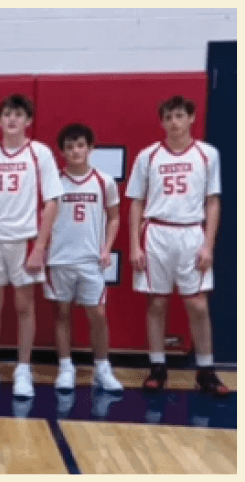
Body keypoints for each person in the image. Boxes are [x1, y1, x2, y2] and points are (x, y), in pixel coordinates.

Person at [125, 95, 228, 396]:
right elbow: (136, 202)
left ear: (191, 118)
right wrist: (134, 245)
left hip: (191, 233)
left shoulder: (207, 154)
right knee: (156, 303)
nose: (174, 122)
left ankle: (206, 370)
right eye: (168, 117)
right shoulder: (148, 156)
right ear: (162, 122)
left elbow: (213, 201)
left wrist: (208, 245)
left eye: (179, 116)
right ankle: (157, 366)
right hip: (156, 231)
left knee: (197, 304)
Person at [0, 94, 63, 398]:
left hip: (25, 240)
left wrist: (40, 247)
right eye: (7, 114)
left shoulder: (40, 154)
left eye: (18, 115)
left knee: (24, 306)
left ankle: (23, 369)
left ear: (28, 120)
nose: (12, 119)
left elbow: (52, 202)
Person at [46, 123, 124, 392]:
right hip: (59, 259)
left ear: (90, 148)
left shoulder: (104, 181)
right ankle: (66, 367)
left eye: (80, 145)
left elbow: (114, 218)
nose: (75, 151)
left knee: (98, 315)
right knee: (61, 313)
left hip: (91, 259)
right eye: (69, 147)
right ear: (62, 151)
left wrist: (106, 248)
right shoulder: (54, 180)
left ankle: (102, 368)